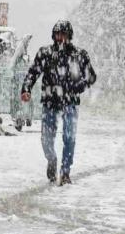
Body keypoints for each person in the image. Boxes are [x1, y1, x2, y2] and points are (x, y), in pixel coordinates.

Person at [20, 20, 96, 185]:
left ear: (69, 35)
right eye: (57, 34)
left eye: (63, 34)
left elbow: (91, 77)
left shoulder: (79, 55)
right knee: (46, 139)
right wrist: (26, 89)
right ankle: (52, 159)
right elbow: (33, 73)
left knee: (69, 138)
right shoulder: (45, 53)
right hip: (50, 101)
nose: (60, 37)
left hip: (70, 102)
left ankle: (65, 171)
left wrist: (78, 87)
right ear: (53, 35)